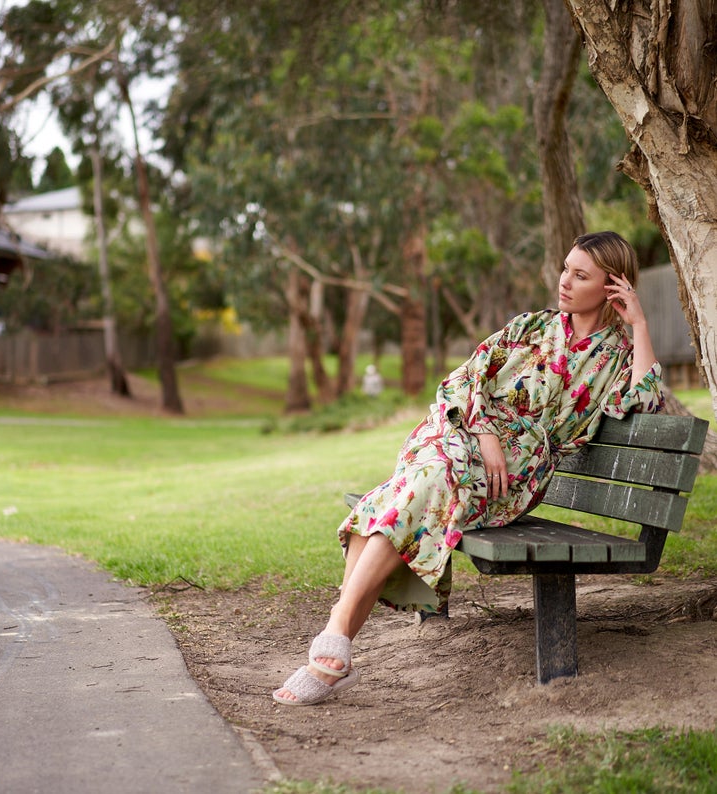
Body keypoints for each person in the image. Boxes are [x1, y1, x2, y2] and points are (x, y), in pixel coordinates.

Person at [273, 231, 664, 706]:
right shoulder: (530, 327)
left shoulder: (617, 355)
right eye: (565, 268)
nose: (564, 281)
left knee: (409, 493)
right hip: (458, 433)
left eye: (580, 275)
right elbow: (464, 377)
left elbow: (645, 403)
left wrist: (639, 324)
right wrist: (482, 431)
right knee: (429, 478)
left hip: (510, 476)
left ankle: (335, 641)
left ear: (612, 286)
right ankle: (335, 638)